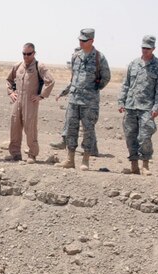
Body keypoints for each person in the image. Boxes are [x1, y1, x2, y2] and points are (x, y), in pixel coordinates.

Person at [57, 28, 110, 171]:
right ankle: (70, 159)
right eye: (80, 40)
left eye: (84, 40)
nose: (81, 42)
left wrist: (93, 89)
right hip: (74, 99)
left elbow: (106, 77)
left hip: (89, 102)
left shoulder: (99, 57)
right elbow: (73, 77)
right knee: (71, 129)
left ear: (92, 41)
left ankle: (85, 160)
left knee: (88, 130)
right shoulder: (75, 57)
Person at [118, 36, 158, 175]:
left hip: (147, 107)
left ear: (153, 49)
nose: (145, 50)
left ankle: (145, 165)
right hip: (131, 106)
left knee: (145, 136)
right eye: (143, 48)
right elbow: (126, 84)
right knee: (130, 136)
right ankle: (134, 165)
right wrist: (121, 101)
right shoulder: (133, 64)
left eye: (148, 48)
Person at [5, 43, 54, 164]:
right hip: (17, 100)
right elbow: (9, 80)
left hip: (30, 102)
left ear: (34, 53)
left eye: (29, 54)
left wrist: (41, 96)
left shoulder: (39, 66)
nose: (26, 56)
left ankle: (32, 154)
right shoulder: (18, 66)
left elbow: (50, 81)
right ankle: (15, 154)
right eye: (24, 54)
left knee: (30, 127)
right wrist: (11, 92)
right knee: (15, 126)